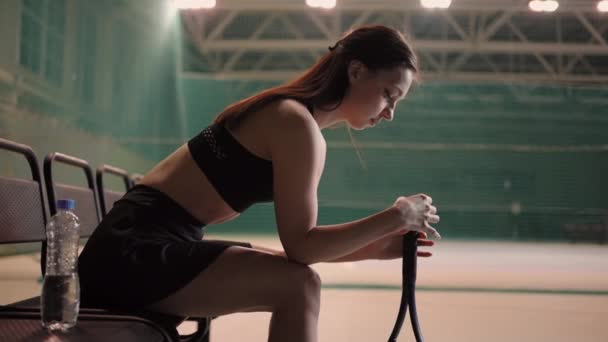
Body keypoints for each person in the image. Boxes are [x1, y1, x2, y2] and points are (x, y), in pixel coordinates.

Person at [78, 24, 441, 342]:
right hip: (128, 254)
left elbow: (298, 250)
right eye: (389, 94)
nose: (390, 113)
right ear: (357, 71)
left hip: (140, 242)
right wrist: (397, 217)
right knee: (299, 286)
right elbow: (303, 246)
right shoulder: (295, 124)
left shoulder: (294, 118)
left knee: (290, 273)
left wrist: (377, 247)